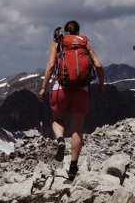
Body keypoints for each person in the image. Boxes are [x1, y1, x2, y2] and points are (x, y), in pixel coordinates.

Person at [39, 20, 105, 178]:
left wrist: (43, 88)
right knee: (77, 129)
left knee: (58, 120)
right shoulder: (84, 44)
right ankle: (73, 167)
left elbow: (50, 65)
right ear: (78, 31)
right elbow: (98, 65)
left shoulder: (58, 43)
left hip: (61, 89)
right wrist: (101, 85)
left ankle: (60, 140)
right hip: (81, 90)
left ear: (64, 31)